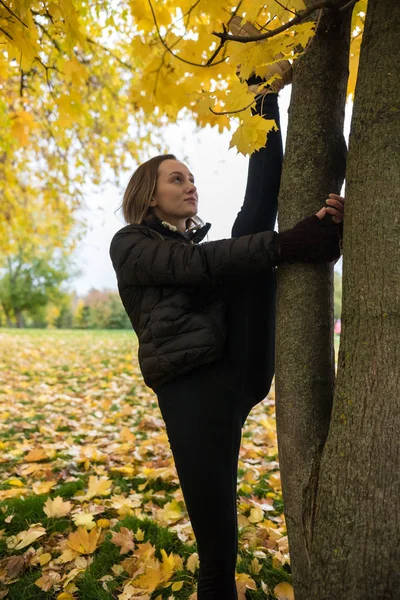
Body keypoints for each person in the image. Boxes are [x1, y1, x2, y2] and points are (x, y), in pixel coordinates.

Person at [109, 24, 344, 600]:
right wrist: (288, 246)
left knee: (251, 220)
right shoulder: (131, 245)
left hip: (239, 366)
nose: (190, 186)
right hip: (192, 394)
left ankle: (262, 94)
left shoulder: (195, 243)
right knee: (217, 546)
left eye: (191, 178)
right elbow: (198, 268)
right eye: (176, 179)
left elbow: (232, 252)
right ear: (149, 194)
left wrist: (299, 236)